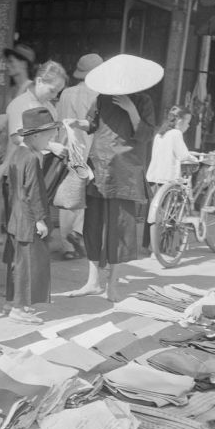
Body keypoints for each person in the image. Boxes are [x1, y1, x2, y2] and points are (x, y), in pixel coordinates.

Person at [67, 54, 160, 302]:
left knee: (121, 228)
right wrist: (78, 123)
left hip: (125, 170)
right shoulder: (102, 97)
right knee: (93, 224)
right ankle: (92, 282)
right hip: (99, 165)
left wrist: (131, 110)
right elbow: (92, 124)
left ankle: (113, 285)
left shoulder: (143, 100)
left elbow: (145, 135)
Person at [0, 60, 68, 315]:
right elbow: (17, 137)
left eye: (58, 91)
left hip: (35, 178)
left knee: (26, 249)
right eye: (53, 89)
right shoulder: (21, 105)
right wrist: (51, 146)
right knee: (23, 250)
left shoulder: (46, 106)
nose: (55, 95)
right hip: (22, 181)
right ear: (39, 81)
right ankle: (17, 301)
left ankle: (16, 300)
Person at [5, 108, 60, 324]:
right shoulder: (31, 159)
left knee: (16, 263)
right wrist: (40, 220)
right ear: (35, 135)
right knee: (28, 266)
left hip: (16, 218)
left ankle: (11, 302)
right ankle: (19, 308)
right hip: (28, 221)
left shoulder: (17, 154)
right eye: (49, 135)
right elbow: (33, 191)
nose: (52, 138)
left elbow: (14, 189)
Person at [0, 44, 36, 245]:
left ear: (23, 63)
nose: (8, 66)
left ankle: (14, 234)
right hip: (7, 146)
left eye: (12, 62)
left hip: (19, 147)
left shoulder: (30, 88)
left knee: (14, 192)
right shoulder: (15, 89)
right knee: (0, 190)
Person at [56, 53, 103, 260]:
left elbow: (59, 120)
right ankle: (77, 232)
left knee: (67, 195)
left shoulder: (66, 92)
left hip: (67, 147)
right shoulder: (99, 94)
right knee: (84, 196)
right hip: (89, 148)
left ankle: (66, 246)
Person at [146, 105, 198, 186]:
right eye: (188, 122)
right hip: (168, 178)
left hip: (153, 176)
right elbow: (183, 156)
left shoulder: (160, 133)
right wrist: (195, 159)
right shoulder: (176, 133)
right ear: (180, 121)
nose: (188, 126)